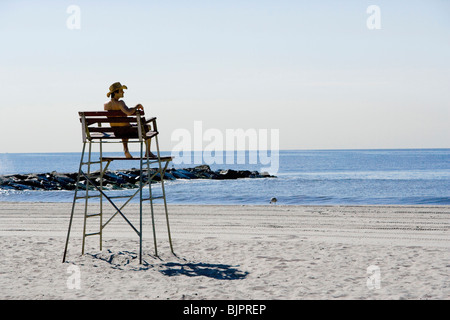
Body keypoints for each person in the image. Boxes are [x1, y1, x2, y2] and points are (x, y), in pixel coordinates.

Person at [104, 82, 154, 158]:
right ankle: (148, 152)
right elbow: (128, 112)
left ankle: (126, 150)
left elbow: (125, 111)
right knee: (148, 127)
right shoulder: (120, 103)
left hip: (116, 132)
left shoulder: (106, 104)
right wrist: (137, 106)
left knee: (124, 127)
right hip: (128, 131)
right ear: (116, 92)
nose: (123, 92)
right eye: (121, 90)